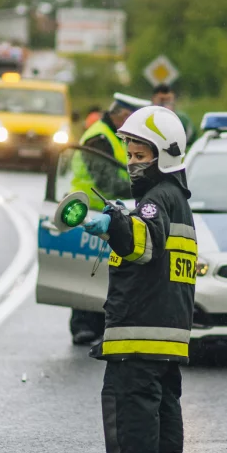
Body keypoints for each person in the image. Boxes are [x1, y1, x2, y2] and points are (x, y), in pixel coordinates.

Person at [81, 105, 196, 453]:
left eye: (140, 155)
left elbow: (144, 245)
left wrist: (114, 225)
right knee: (163, 407)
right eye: (129, 154)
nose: (132, 163)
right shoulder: (177, 199)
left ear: (163, 155)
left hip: (139, 330)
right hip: (168, 332)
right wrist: (123, 216)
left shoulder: (155, 200)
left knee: (131, 405)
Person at [69, 93, 149, 346]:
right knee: (87, 272)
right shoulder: (99, 137)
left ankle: (99, 323)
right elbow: (106, 180)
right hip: (90, 213)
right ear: (123, 115)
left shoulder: (112, 135)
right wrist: (141, 187)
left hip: (108, 212)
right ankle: (83, 324)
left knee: (104, 272)